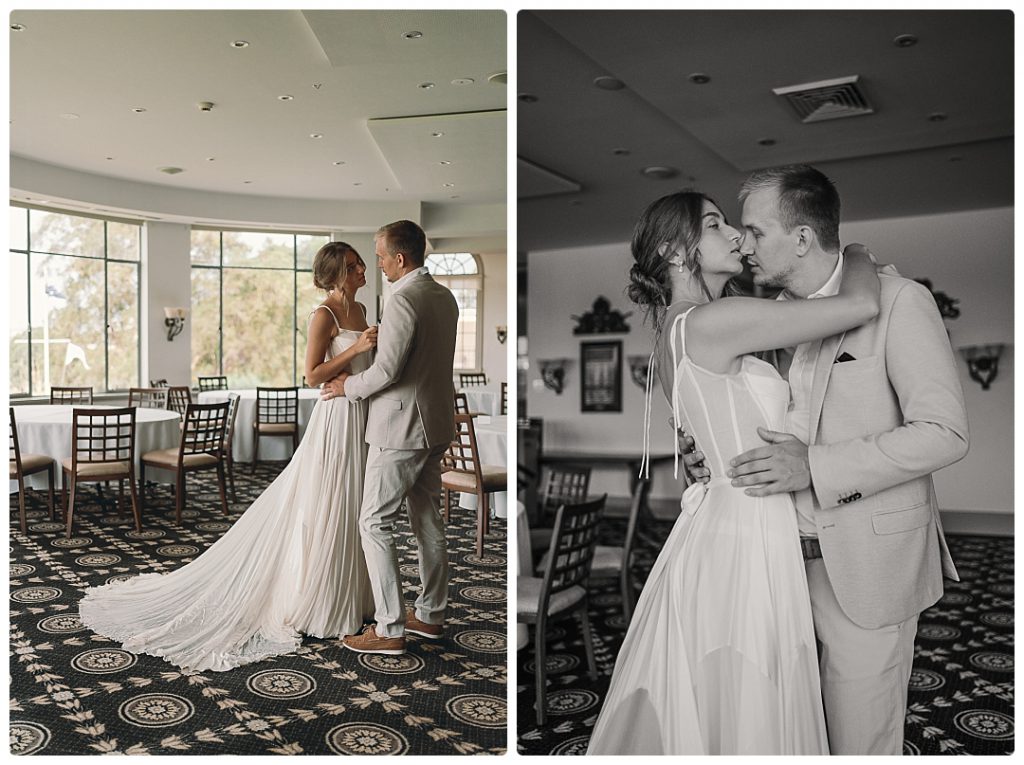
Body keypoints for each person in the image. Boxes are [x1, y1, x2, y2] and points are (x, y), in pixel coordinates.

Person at [587, 188, 889, 755]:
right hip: (745, 527)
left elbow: (711, 424)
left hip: (725, 517)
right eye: (715, 224)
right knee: (749, 676)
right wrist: (857, 253)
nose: (736, 236)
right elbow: (858, 307)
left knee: (725, 679)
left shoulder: (675, 331)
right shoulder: (714, 320)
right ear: (678, 253)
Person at [705, 165, 967, 755]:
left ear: (801, 237)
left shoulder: (901, 302)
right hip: (771, 563)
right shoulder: (768, 317)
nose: (744, 243)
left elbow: (944, 433)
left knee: (859, 739)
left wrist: (816, 467)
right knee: (786, 732)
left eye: (754, 229)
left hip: (866, 562)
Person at [79, 243, 378, 672]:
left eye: (362, 262)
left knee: (355, 502)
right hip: (334, 418)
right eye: (354, 265)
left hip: (359, 413)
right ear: (335, 274)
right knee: (328, 499)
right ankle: (318, 597)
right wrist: (354, 349)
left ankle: (354, 595)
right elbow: (311, 375)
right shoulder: (323, 315)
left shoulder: (363, 309)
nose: (363, 268)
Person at [320, 220, 459, 657]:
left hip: (400, 428)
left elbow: (387, 371)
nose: (377, 264)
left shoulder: (403, 299)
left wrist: (346, 388)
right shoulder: (445, 296)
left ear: (400, 258)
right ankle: (431, 615)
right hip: (435, 425)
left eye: (379, 256)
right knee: (427, 521)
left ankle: (389, 627)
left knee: (373, 522)